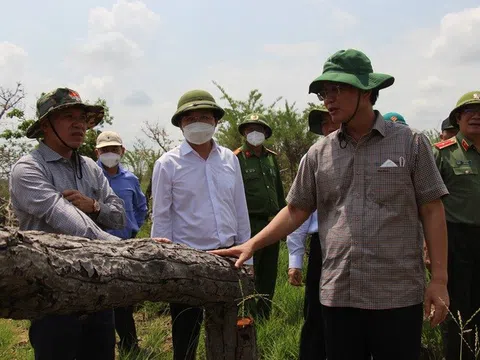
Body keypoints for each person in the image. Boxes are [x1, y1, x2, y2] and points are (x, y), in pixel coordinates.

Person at [211, 49, 450, 360]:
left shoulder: (411, 143)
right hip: (340, 294)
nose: (328, 99)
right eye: (324, 92)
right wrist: (252, 244)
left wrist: (440, 281)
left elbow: (432, 210)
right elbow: (296, 209)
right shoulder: (318, 154)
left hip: (397, 293)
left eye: (337, 89)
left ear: (366, 91)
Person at [9, 87, 126, 360]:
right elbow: (66, 218)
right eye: (68, 116)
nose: (79, 124)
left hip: (98, 288)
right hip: (52, 293)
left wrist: (94, 206)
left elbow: (119, 215)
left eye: (83, 118)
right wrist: (128, 250)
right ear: (46, 126)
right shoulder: (29, 168)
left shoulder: (90, 166)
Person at [150, 89, 251, 360]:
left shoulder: (229, 159)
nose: (197, 122)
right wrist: (164, 265)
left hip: (229, 256)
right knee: (186, 332)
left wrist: (247, 256)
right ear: (181, 124)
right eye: (190, 118)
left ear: (216, 121)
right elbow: (161, 217)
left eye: (204, 116)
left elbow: (240, 208)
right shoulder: (167, 164)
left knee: (227, 330)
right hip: (187, 259)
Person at [286, 104, 340, 360]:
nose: (330, 128)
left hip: (362, 247)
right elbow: (298, 213)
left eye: (333, 121)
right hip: (322, 247)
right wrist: (294, 261)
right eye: (325, 124)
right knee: (315, 315)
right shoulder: (312, 158)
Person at [433, 91, 480, 360]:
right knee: (459, 312)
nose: (477, 116)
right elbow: (426, 205)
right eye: (469, 111)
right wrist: (428, 247)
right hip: (455, 241)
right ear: (458, 118)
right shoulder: (443, 154)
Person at [95, 130, 148, 353]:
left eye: (114, 150)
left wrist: (134, 228)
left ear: (122, 151)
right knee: (100, 301)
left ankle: (129, 346)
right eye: (105, 150)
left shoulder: (130, 179)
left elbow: (140, 206)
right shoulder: (90, 175)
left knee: (125, 299)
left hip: (125, 245)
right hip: (96, 247)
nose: (110, 154)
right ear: (96, 152)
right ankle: (100, 348)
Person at [234, 113, 286, 320]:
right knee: (248, 273)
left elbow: (279, 192)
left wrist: (283, 222)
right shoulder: (236, 158)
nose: (254, 133)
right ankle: (248, 316)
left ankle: (265, 316)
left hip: (272, 224)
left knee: (268, 273)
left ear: (265, 133)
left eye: (258, 129)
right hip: (249, 225)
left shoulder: (271, 158)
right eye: (249, 129)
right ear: (244, 133)